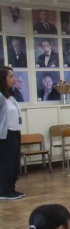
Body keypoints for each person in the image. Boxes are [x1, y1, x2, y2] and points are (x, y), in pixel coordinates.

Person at [0, 67, 24, 199]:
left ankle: (11, 188)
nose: (13, 79)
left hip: (15, 132)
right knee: (6, 163)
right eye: (10, 76)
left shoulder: (10, 96)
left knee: (14, 163)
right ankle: (4, 191)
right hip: (5, 135)